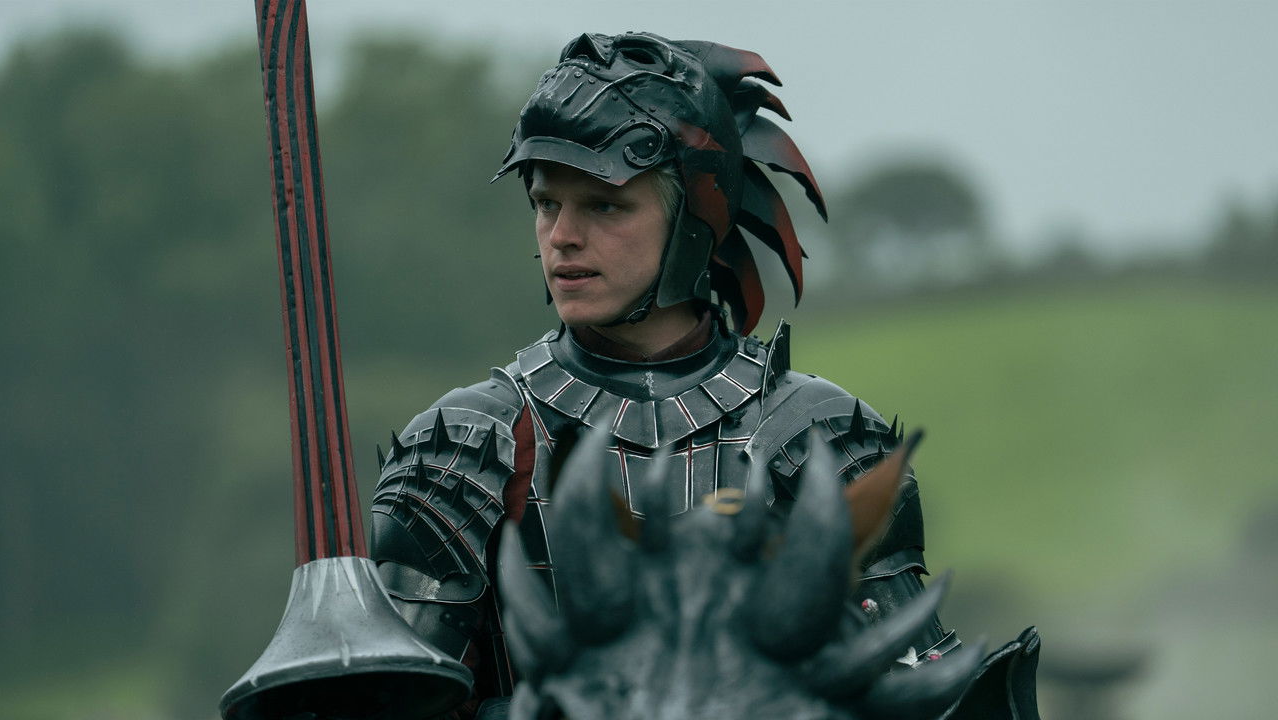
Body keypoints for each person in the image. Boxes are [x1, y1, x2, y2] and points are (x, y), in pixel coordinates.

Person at [370, 32, 1036, 719]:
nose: (562, 235)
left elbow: (921, 703)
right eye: (546, 203)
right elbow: (393, 708)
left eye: (604, 205)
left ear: (693, 215)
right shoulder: (465, 449)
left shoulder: (821, 440)